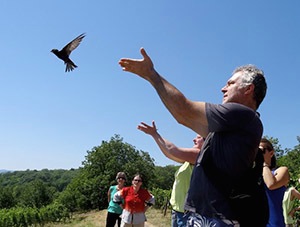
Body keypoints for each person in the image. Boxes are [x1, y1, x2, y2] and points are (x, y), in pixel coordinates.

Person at [119, 48, 268, 226]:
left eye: (230, 83)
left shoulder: (242, 114)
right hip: (206, 215)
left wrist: (151, 74)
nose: (223, 88)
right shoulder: (233, 127)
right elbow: (182, 120)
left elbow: (184, 111)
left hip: (216, 218)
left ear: (248, 89)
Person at [137, 120, 204, 227]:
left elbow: (173, 150)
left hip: (188, 214)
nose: (194, 139)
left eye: (198, 137)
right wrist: (154, 136)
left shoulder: (200, 156)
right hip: (178, 211)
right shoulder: (189, 160)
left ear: (206, 142)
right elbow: (169, 154)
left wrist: (155, 134)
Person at [260, 138, 290, 227]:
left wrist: (264, 164)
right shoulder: (252, 174)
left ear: (271, 153)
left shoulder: (282, 170)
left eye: (261, 151)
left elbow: (271, 184)